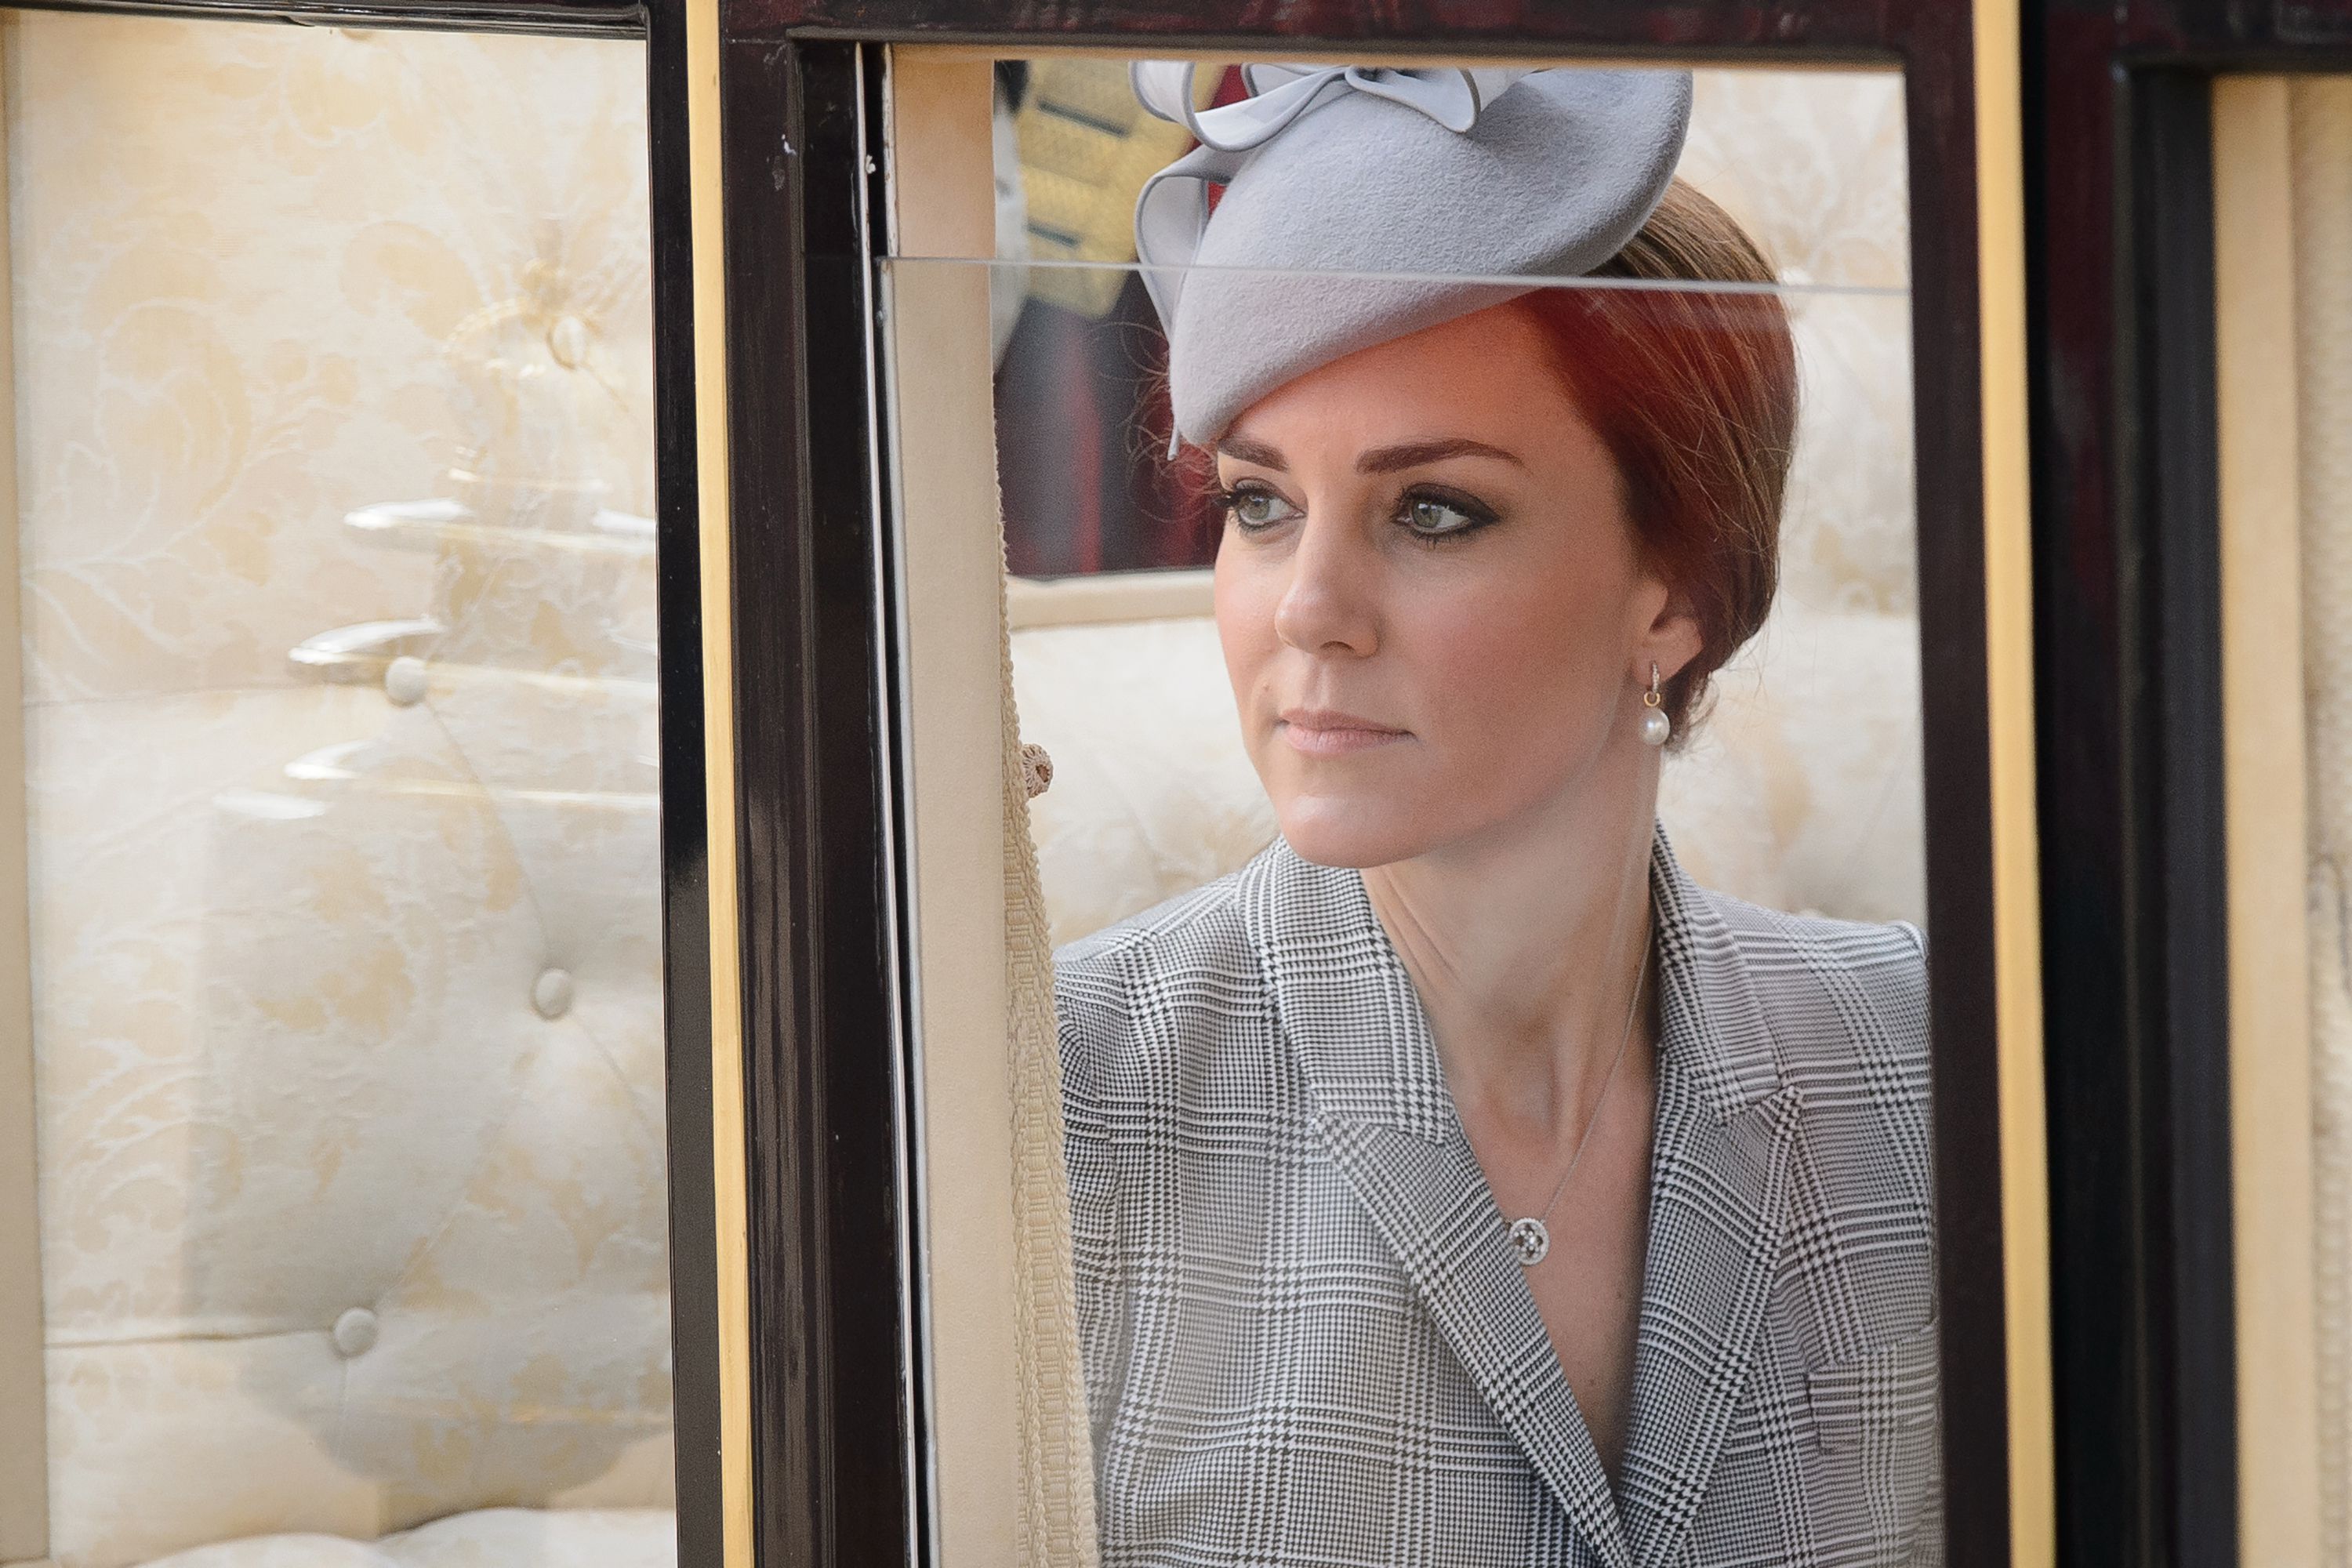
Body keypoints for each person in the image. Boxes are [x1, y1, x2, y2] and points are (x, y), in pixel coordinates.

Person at [1055, 64, 1939, 1568]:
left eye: (1432, 511)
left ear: (1675, 591)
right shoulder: (1055, 1106)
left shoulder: (1921, 1066)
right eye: (1260, 504)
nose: (1310, 611)